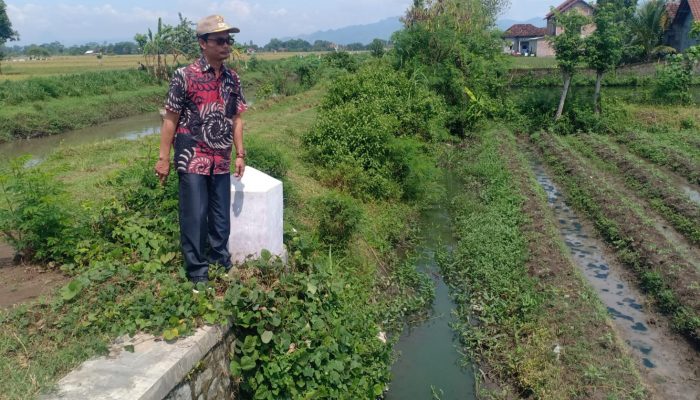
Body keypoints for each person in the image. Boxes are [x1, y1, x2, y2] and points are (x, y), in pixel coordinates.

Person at [154, 14, 247, 285]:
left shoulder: (233, 79)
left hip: (220, 158)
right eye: (219, 40)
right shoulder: (184, 76)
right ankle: (197, 273)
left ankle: (221, 260)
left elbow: (237, 118)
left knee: (220, 216)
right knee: (195, 216)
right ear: (202, 43)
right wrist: (163, 159)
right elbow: (170, 119)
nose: (226, 45)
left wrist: (240, 154)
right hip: (192, 157)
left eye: (228, 40)